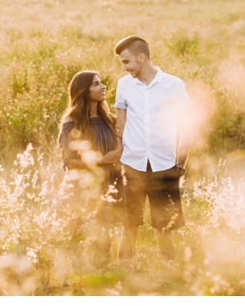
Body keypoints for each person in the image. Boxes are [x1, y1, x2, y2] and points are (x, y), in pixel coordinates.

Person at [113, 35, 193, 260]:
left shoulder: (173, 85)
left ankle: (170, 274)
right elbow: (120, 123)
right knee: (129, 226)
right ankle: (124, 273)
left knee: (165, 227)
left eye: (126, 62)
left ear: (141, 58)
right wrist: (119, 155)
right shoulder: (124, 85)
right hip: (132, 165)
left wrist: (180, 164)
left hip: (165, 165)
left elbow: (188, 126)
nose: (124, 67)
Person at [58, 70, 124, 261]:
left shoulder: (109, 120)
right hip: (81, 187)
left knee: (105, 238)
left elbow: (121, 151)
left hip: (108, 184)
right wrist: (104, 160)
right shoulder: (72, 122)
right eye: (96, 84)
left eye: (101, 83)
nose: (103, 87)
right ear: (83, 91)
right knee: (78, 236)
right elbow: (69, 162)